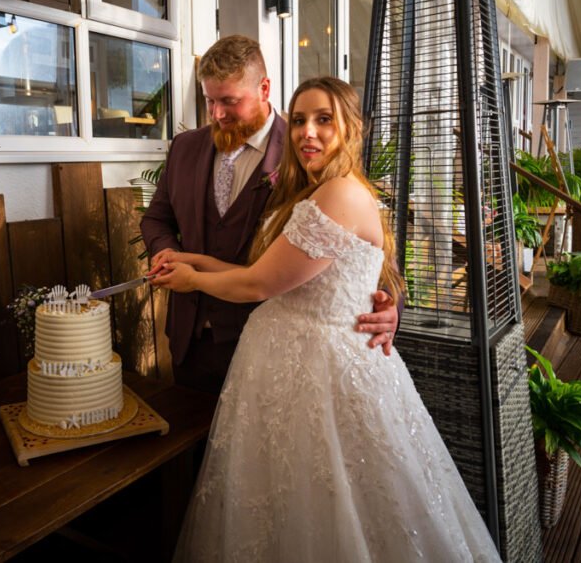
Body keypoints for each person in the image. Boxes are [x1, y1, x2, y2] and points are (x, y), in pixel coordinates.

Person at [151, 77, 501, 562]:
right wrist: (189, 260)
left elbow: (256, 286)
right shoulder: (310, 187)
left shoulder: (339, 193)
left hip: (322, 374)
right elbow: (266, 272)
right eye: (299, 121)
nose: (306, 133)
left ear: (351, 129)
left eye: (323, 119)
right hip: (280, 365)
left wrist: (193, 281)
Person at [139, 35, 399, 395]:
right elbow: (156, 218)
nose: (217, 114)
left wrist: (388, 303)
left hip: (274, 348)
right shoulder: (185, 148)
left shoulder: (310, 155)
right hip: (191, 338)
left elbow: (364, 241)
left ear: (264, 88)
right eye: (210, 100)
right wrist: (166, 252)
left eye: (229, 101)